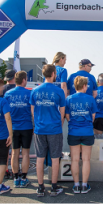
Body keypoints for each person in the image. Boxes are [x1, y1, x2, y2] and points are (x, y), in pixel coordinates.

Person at [30, 64, 66, 197]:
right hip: (54, 128)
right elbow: (62, 111)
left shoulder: (35, 90)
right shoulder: (59, 91)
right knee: (55, 158)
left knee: (39, 158)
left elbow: (32, 110)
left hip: (40, 129)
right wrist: (59, 124)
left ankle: (40, 188)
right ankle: (54, 188)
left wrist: (38, 121)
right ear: (53, 74)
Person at [65, 76, 98, 194]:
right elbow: (93, 116)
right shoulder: (90, 99)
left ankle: (76, 185)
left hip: (73, 131)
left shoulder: (69, 99)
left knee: (74, 160)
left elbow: (67, 116)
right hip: (87, 132)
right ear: (84, 86)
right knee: (86, 160)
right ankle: (84, 185)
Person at [3, 71, 33, 188]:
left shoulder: (8, 94)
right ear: (24, 80)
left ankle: (16, 178)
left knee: (14, 153)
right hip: (26, 127)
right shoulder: (29, 93)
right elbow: (32, 111)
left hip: (13, 128)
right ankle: (24, 178)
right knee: (25, 153)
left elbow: (6, 113)